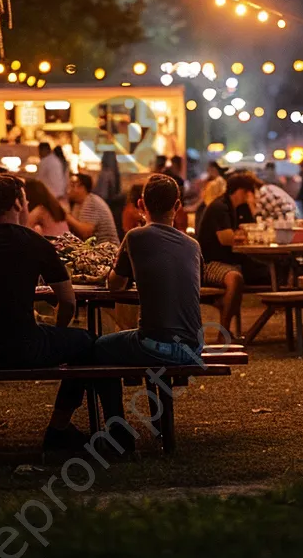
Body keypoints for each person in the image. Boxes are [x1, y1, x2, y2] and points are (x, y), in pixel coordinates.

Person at [0, 173, 124, 457]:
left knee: (79, 343)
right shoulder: (33, 242)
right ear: (16, 202)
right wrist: (59, 331)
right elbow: (68, 300)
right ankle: (65, 428)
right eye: (25, 199)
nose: (27, 204)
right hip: (23, 345)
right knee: (91, 344)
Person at [94, 174, 206, 407]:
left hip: (155, 345)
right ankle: (156, 424)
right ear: (177, 206)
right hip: (194, 346)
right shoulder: (193, 246)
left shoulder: (135, 236)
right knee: (142, 335)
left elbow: (115, 285)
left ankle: (115, 428)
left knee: (98, 348)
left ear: (141, 205)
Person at [196, 171, 264, 334]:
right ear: (243, 192)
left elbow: (246, 230)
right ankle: (223, 332)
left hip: (227, 261)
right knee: (235, 278)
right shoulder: (220, 207)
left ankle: (282, 283)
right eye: (251, 192)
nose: (253, 196)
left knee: (260, 270)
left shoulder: (234, 208)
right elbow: (226, 238)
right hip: (209, 264)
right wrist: (240, 235)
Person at [65, 172, 119, 245]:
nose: (68, 189)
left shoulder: (92, 202)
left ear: (82, 188)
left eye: (71, 185)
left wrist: (65, 215)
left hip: (106, 250)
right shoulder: (78, 204)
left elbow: (86, 233)